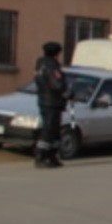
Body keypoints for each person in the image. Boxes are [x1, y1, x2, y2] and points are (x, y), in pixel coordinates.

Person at [33, 41, 72, 169]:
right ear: (57, 53)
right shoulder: (52, 66)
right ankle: (41, 156)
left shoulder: (40, 64)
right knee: (49, 130)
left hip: (44, 100)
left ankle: (52, 156)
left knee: (54, 130)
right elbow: (57, 84)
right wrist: (68, 92)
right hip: (52, 102)